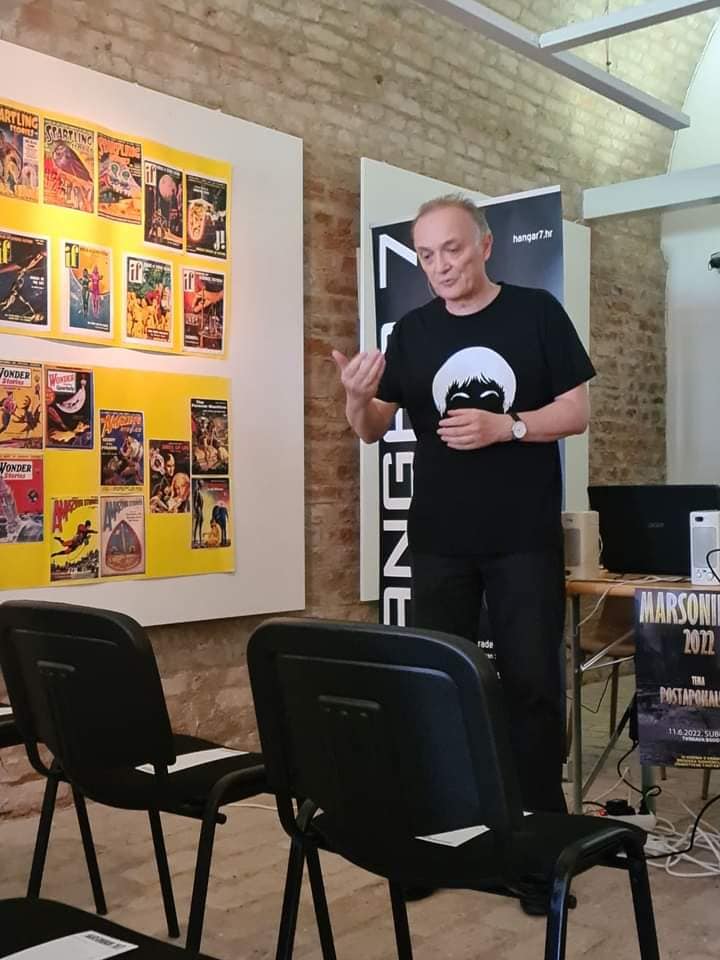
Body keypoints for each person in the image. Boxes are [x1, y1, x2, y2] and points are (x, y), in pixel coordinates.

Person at [333, 195, 595, 912]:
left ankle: (539, 857)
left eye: (452, 249)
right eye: (426, 255)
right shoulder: (412, 331)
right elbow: (371, 428)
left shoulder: (536, 313)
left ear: (484, 245)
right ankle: (436, 841)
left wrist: (508, 426)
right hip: (439, 541)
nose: (440, 266)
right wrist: (355, 397)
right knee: (435, 688)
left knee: (532, 689)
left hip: (523, 539)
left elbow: (575, 410)